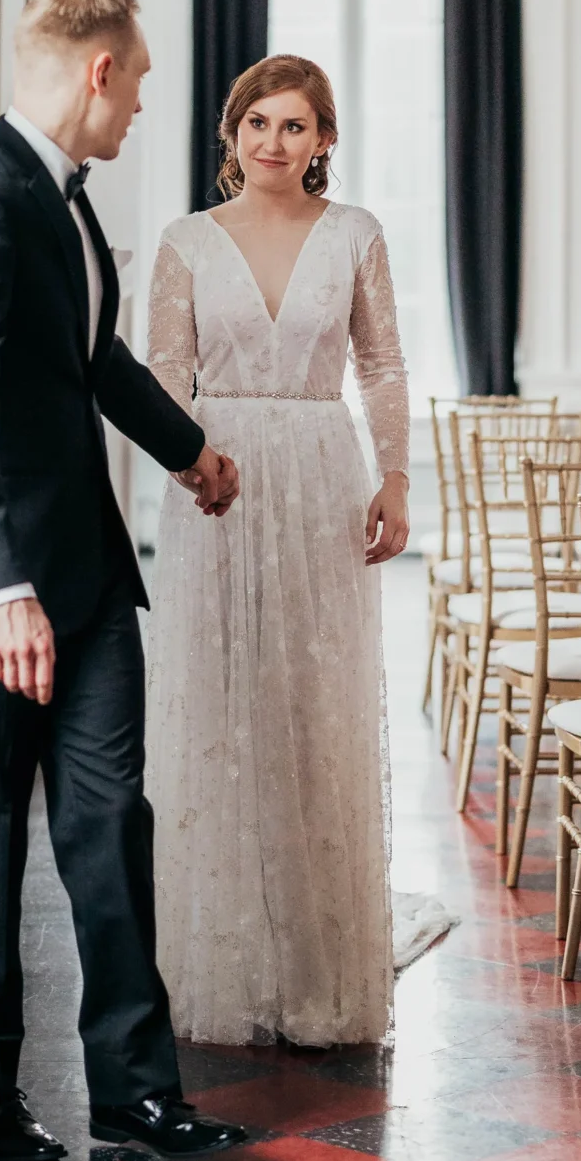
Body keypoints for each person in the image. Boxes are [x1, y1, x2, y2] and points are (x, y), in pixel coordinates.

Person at [0, 0, 248, 1161]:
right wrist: (2, 591)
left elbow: (90, 359)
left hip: (85, 584)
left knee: (108, 826)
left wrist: (190, 450)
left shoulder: (65, 203)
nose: (140, 104)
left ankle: (137, 1090)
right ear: (98, 70)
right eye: (137, 81)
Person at [145, 55, 420, 1048]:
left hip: (319, 474)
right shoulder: (185, 241)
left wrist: (395, 477)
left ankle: (316, 968)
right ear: (232, 134)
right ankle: (220, 962)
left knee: (312, 705)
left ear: (323, 141)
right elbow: (162, 376)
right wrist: (188, 467)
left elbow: (381, 366)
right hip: (213, 478)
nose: (273, 141)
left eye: (294, 125)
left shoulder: (356, 235)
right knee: (220, 702)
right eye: (257, 122)